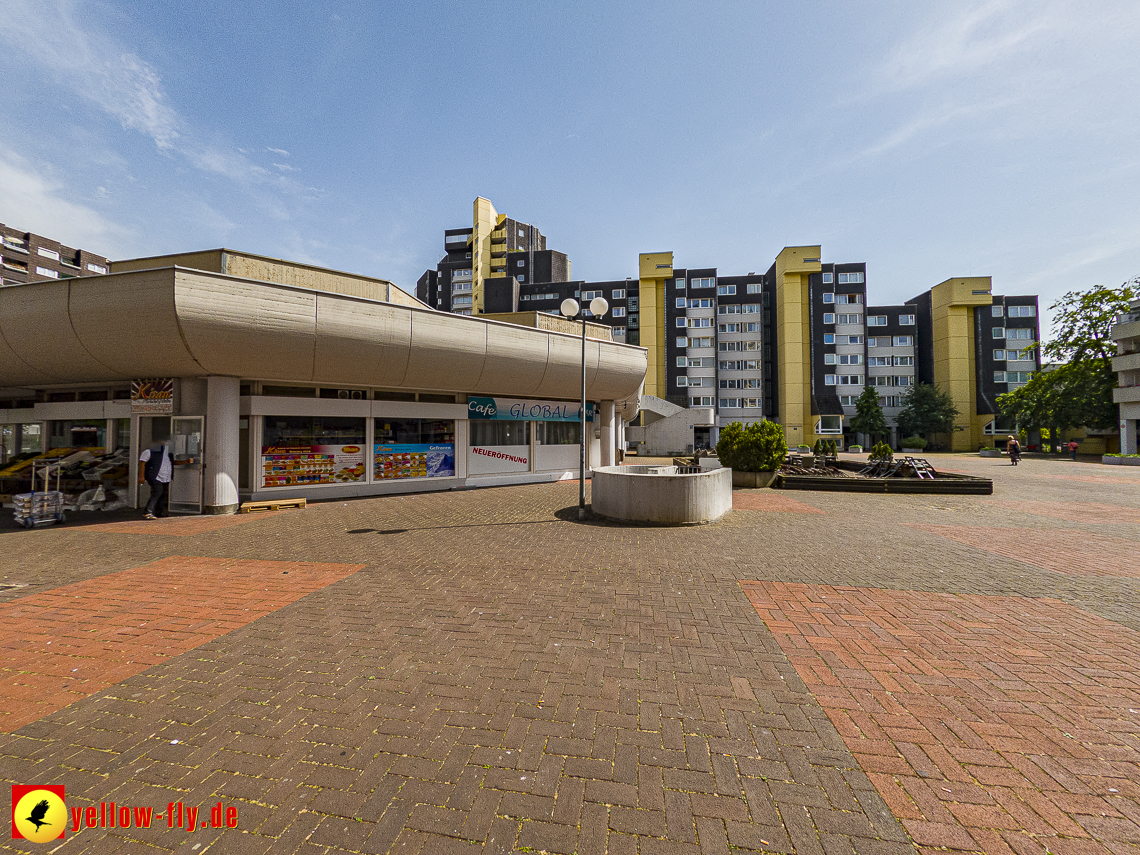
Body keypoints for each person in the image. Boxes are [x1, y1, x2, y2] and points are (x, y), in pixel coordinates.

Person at [139, 440, 174, 519]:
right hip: (155, 476)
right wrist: (141, 476)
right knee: (157, 491)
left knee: (163, 494)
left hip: (165, 477)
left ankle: (159, 512)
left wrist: (186, 461)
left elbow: (172, 462)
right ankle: (147, 512)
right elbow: (142, 463)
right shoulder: (149, 452)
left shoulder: (169, 454)